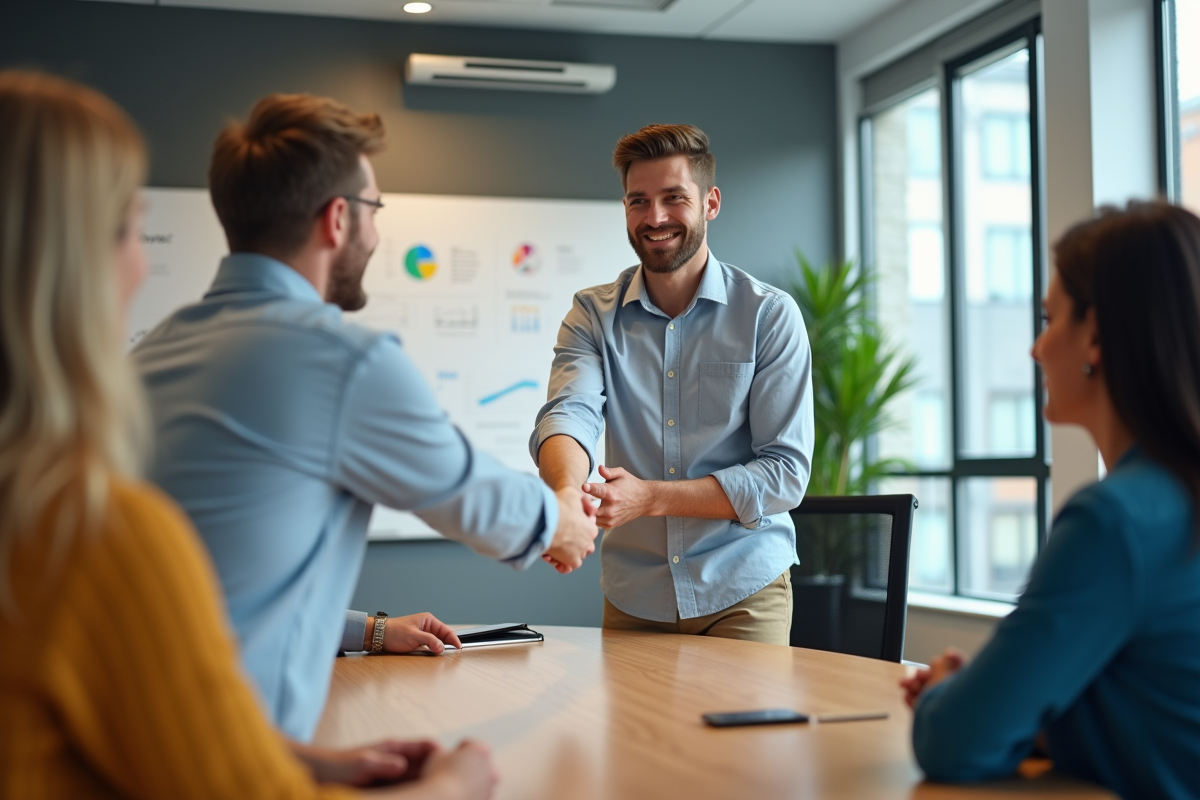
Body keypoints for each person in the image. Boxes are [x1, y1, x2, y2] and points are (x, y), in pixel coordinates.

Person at [0, 70, 497, 800]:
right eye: (131, 229)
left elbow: (133, 716)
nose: (141, 263)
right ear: (71, 268)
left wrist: (312, 754)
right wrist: (455, 784)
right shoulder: (98, 537)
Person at [133, 93, 598, 742]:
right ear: (337, 220)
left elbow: (217, 586)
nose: (377, 234)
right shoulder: (339, 360)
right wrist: (565, 523)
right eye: (374, 209)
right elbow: (472, 497)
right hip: (229, 758)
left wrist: (370, 631)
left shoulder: (151, 354)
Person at [902, 201, 1200, 800]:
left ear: (1094, 335)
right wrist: (1022, 706)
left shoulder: (1114, 523)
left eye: (1048, 318)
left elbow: (952, 742)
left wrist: (948, 695)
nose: (1037, 349)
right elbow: (1163, 711)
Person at [529, 124, 814, 645]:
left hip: (743, 590)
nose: (655, 218)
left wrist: (651, 498)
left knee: (743, 730)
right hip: (636, 595)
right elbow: (569, 413)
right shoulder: (592, 314)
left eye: (673, 198)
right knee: (637, 732)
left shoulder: (768, 316)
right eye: (639, 201)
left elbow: (785, 474)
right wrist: (568, 495)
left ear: (711, 203)